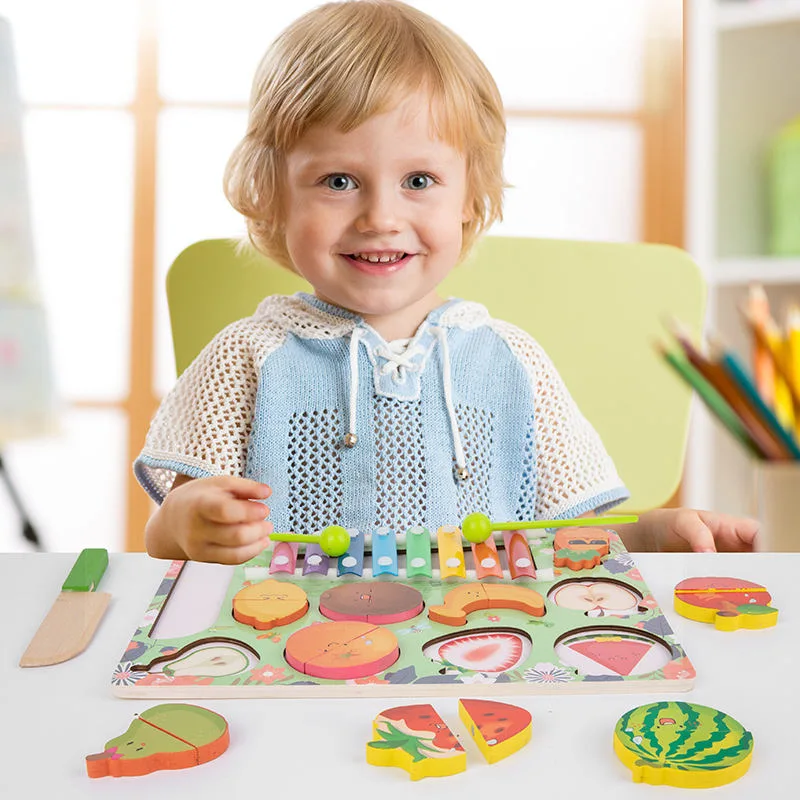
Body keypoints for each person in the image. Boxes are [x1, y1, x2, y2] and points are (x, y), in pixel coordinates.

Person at [135, 0, 759, 564]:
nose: (380, 218)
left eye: (419, 181)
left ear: (469, 195)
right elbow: (165, 536)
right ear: (272, 194)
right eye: (338, 182)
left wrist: (651, 535)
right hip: (291, 659)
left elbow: (569, 541)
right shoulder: (247, 357)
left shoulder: (512, 362)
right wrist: (186, 526)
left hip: (486, 642)